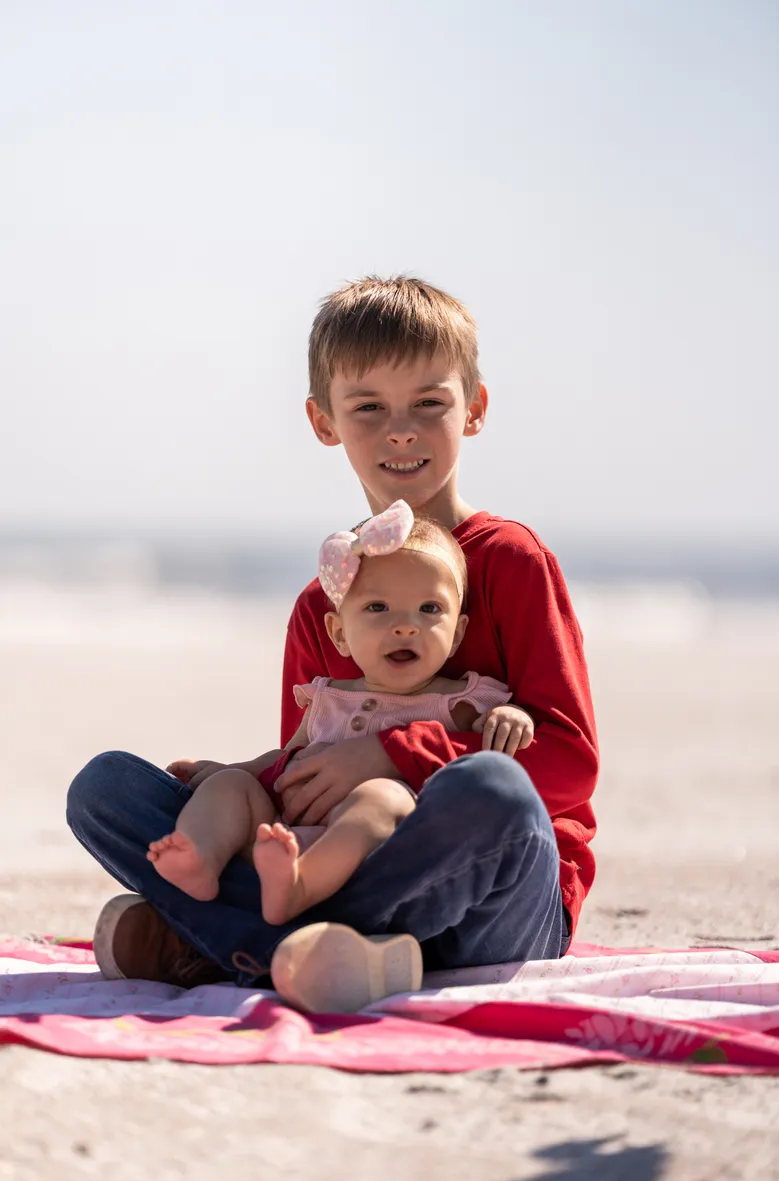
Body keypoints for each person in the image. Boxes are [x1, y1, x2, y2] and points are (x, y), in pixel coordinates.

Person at [67, 275, 599, 1014]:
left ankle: (234, 946)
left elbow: (569, 768)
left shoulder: (511, 561)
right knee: (107, 790)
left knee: (497, 791)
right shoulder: (326, 601)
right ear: (325, 422)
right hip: (338, 874)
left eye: (428, 404)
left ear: (474, 409)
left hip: (496, 903)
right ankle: (330, 954)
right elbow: (306, 790)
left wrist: (393, 753)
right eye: (369, 408)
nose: (400, 430)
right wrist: (251, 775)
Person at [146, 500, 532, 943]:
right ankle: (202, 858)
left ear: (458, 633)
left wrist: (512, 714)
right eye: (377, 609)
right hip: (284, 835)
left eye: (429, 610)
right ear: (339, 634)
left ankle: (301, 888)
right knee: (226, 789)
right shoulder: (328, 697)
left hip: (375, 858)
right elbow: (287, 758)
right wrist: (230, 772)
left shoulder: (459, 699)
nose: (405, 626)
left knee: (382, 796)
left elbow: (492, 755)